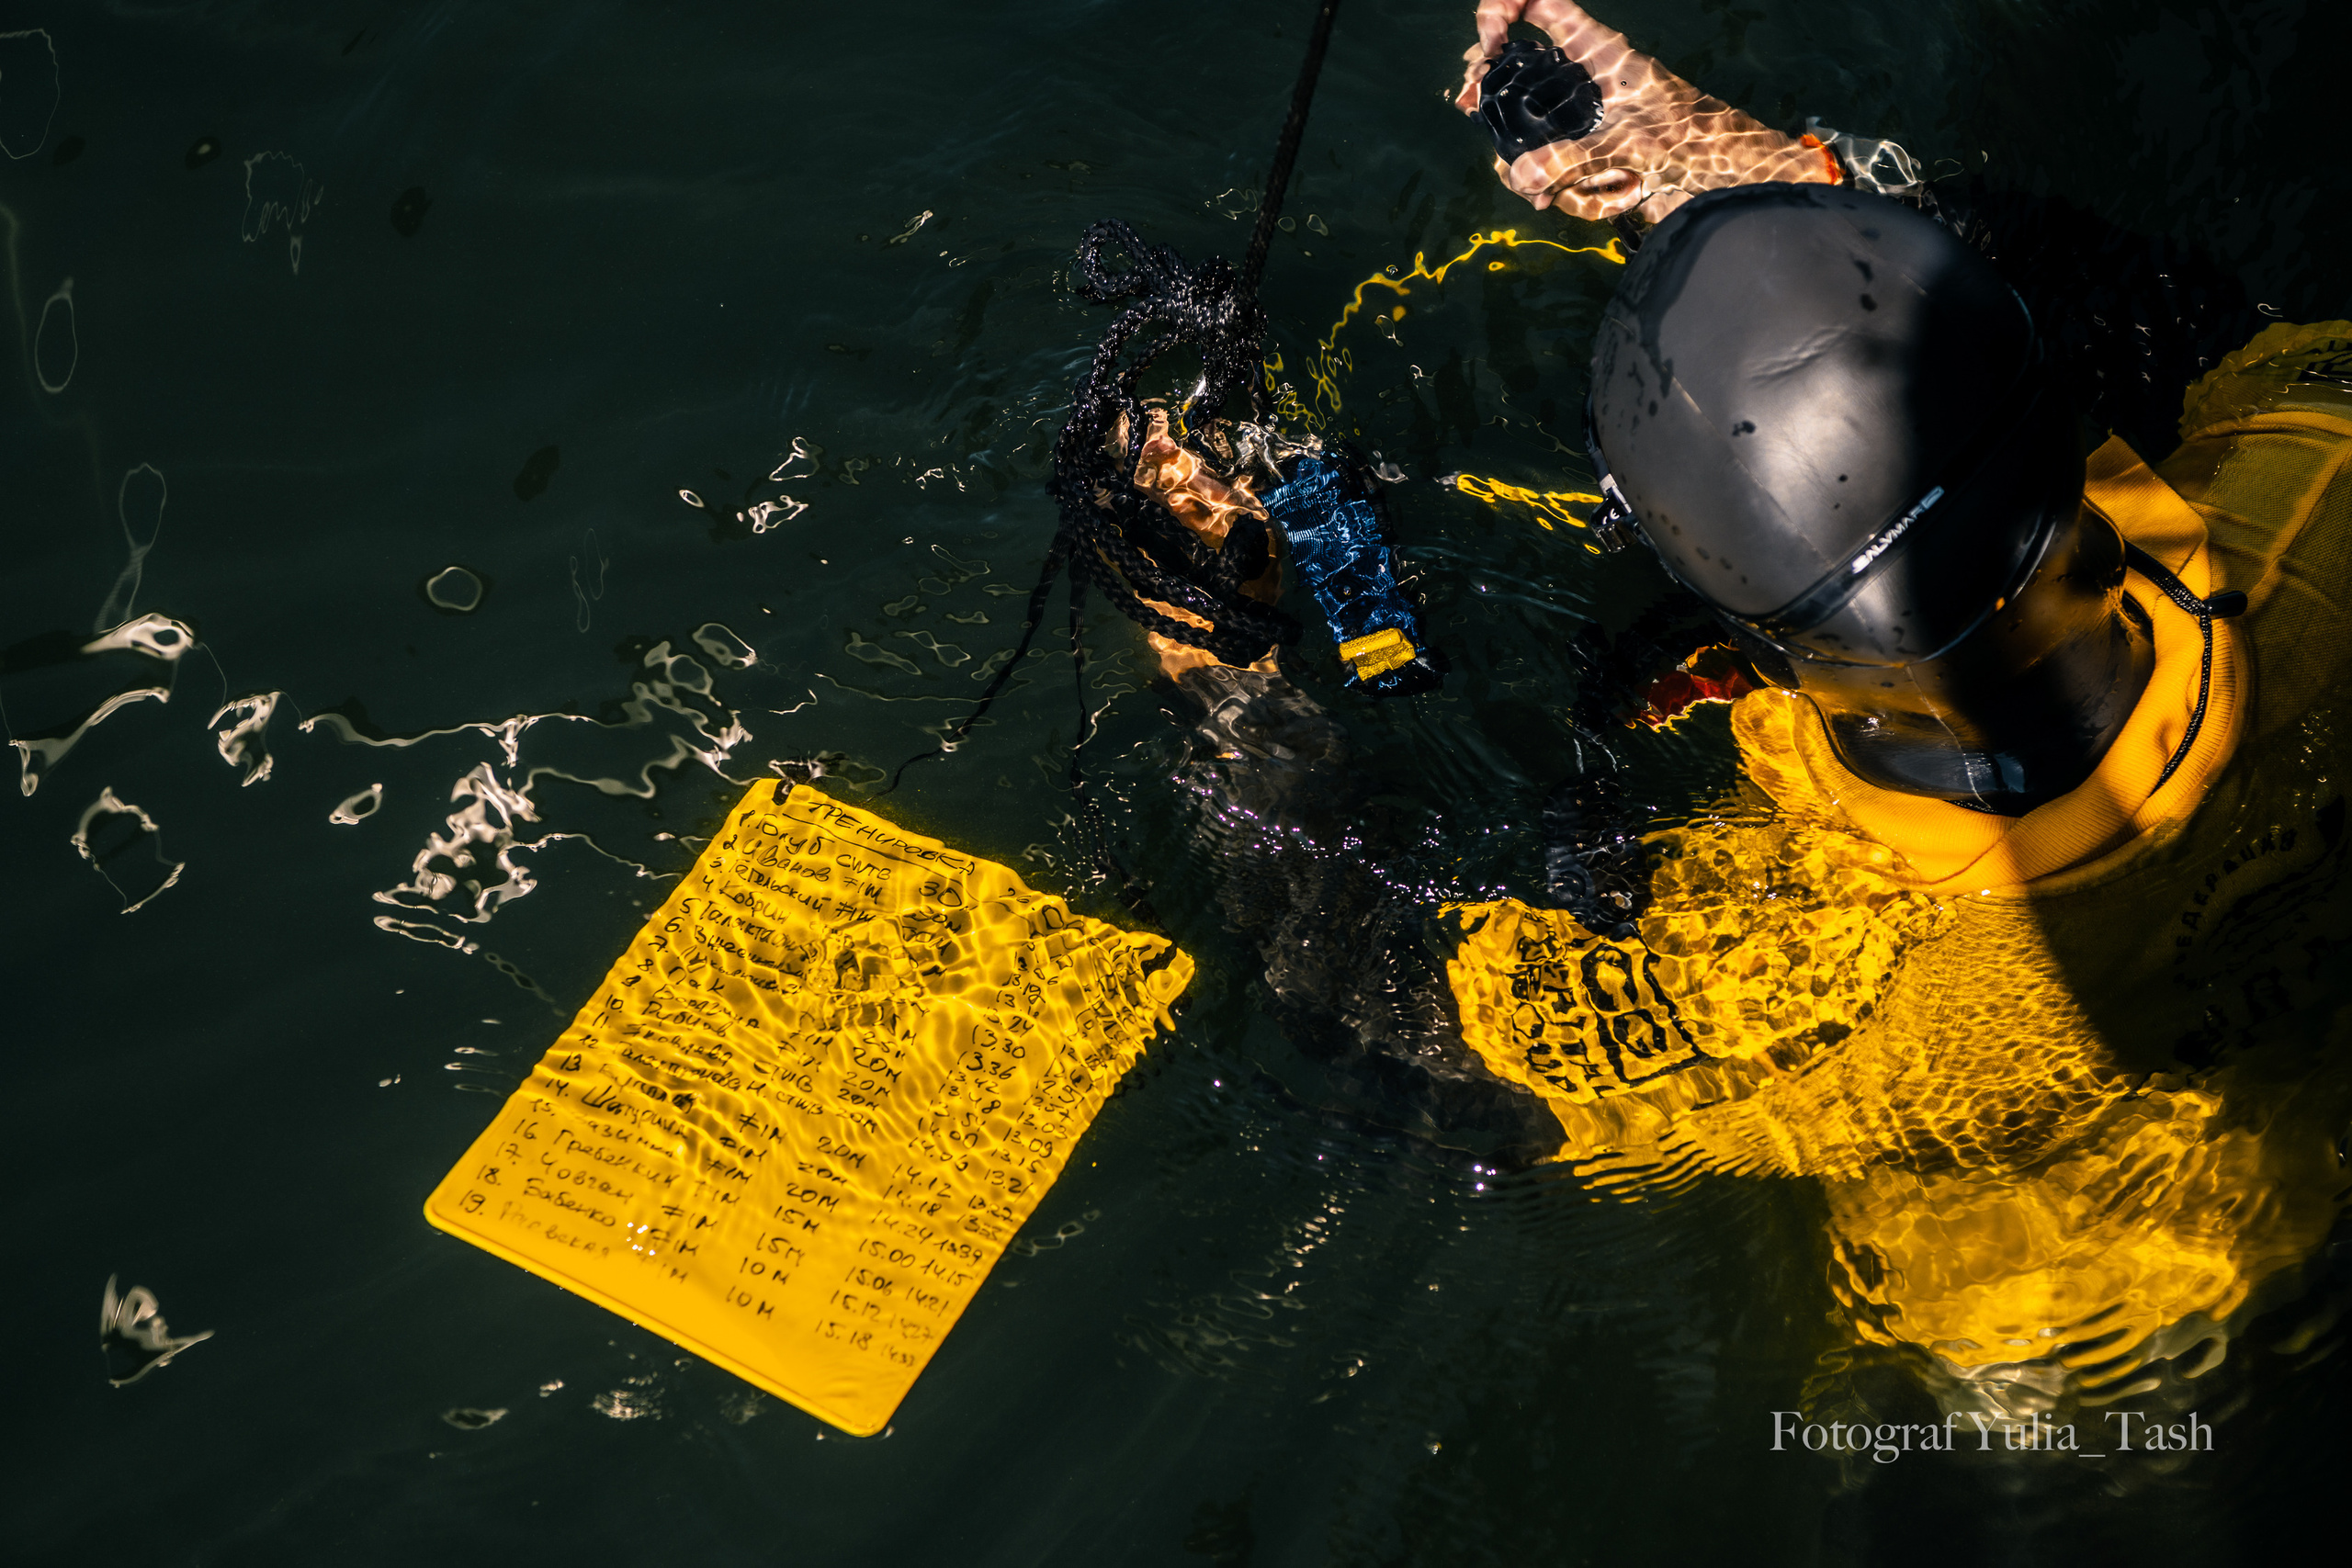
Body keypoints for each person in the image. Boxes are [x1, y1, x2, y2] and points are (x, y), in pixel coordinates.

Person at [1108, 0, 2352, 1426]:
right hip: (2294, 1107)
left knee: (1992, 1352)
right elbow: (2162, 315)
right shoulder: (2315, 496)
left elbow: (1371, 1014)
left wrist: (1213, 655)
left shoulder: (1794, 974)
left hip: (2074, 1305)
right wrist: (1757, 177)